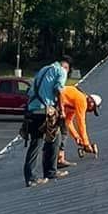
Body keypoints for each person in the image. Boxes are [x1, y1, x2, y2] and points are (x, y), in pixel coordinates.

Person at [21, 56, 69, 188]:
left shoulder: (44, 69)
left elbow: (31, 90)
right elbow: (59, 89)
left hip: (32, 110)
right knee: (43, 141)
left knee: (51, 139)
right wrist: (62, 110)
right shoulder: (61, 71)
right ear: (67, 67)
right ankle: (34, 177)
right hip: (43, 111)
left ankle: (48, 172)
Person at [56, 85, 101, 165]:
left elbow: (68, 121)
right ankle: (59, 159)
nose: (90, 111)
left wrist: (76, 137)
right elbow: (81, 123)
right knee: (63, 133)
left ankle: (59, 158)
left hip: (58, 103)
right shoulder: (82, 101)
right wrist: (86, 143)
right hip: (56, 99)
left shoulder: (74, 104)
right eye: (93, 108)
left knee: (62, 130)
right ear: (91, 102)